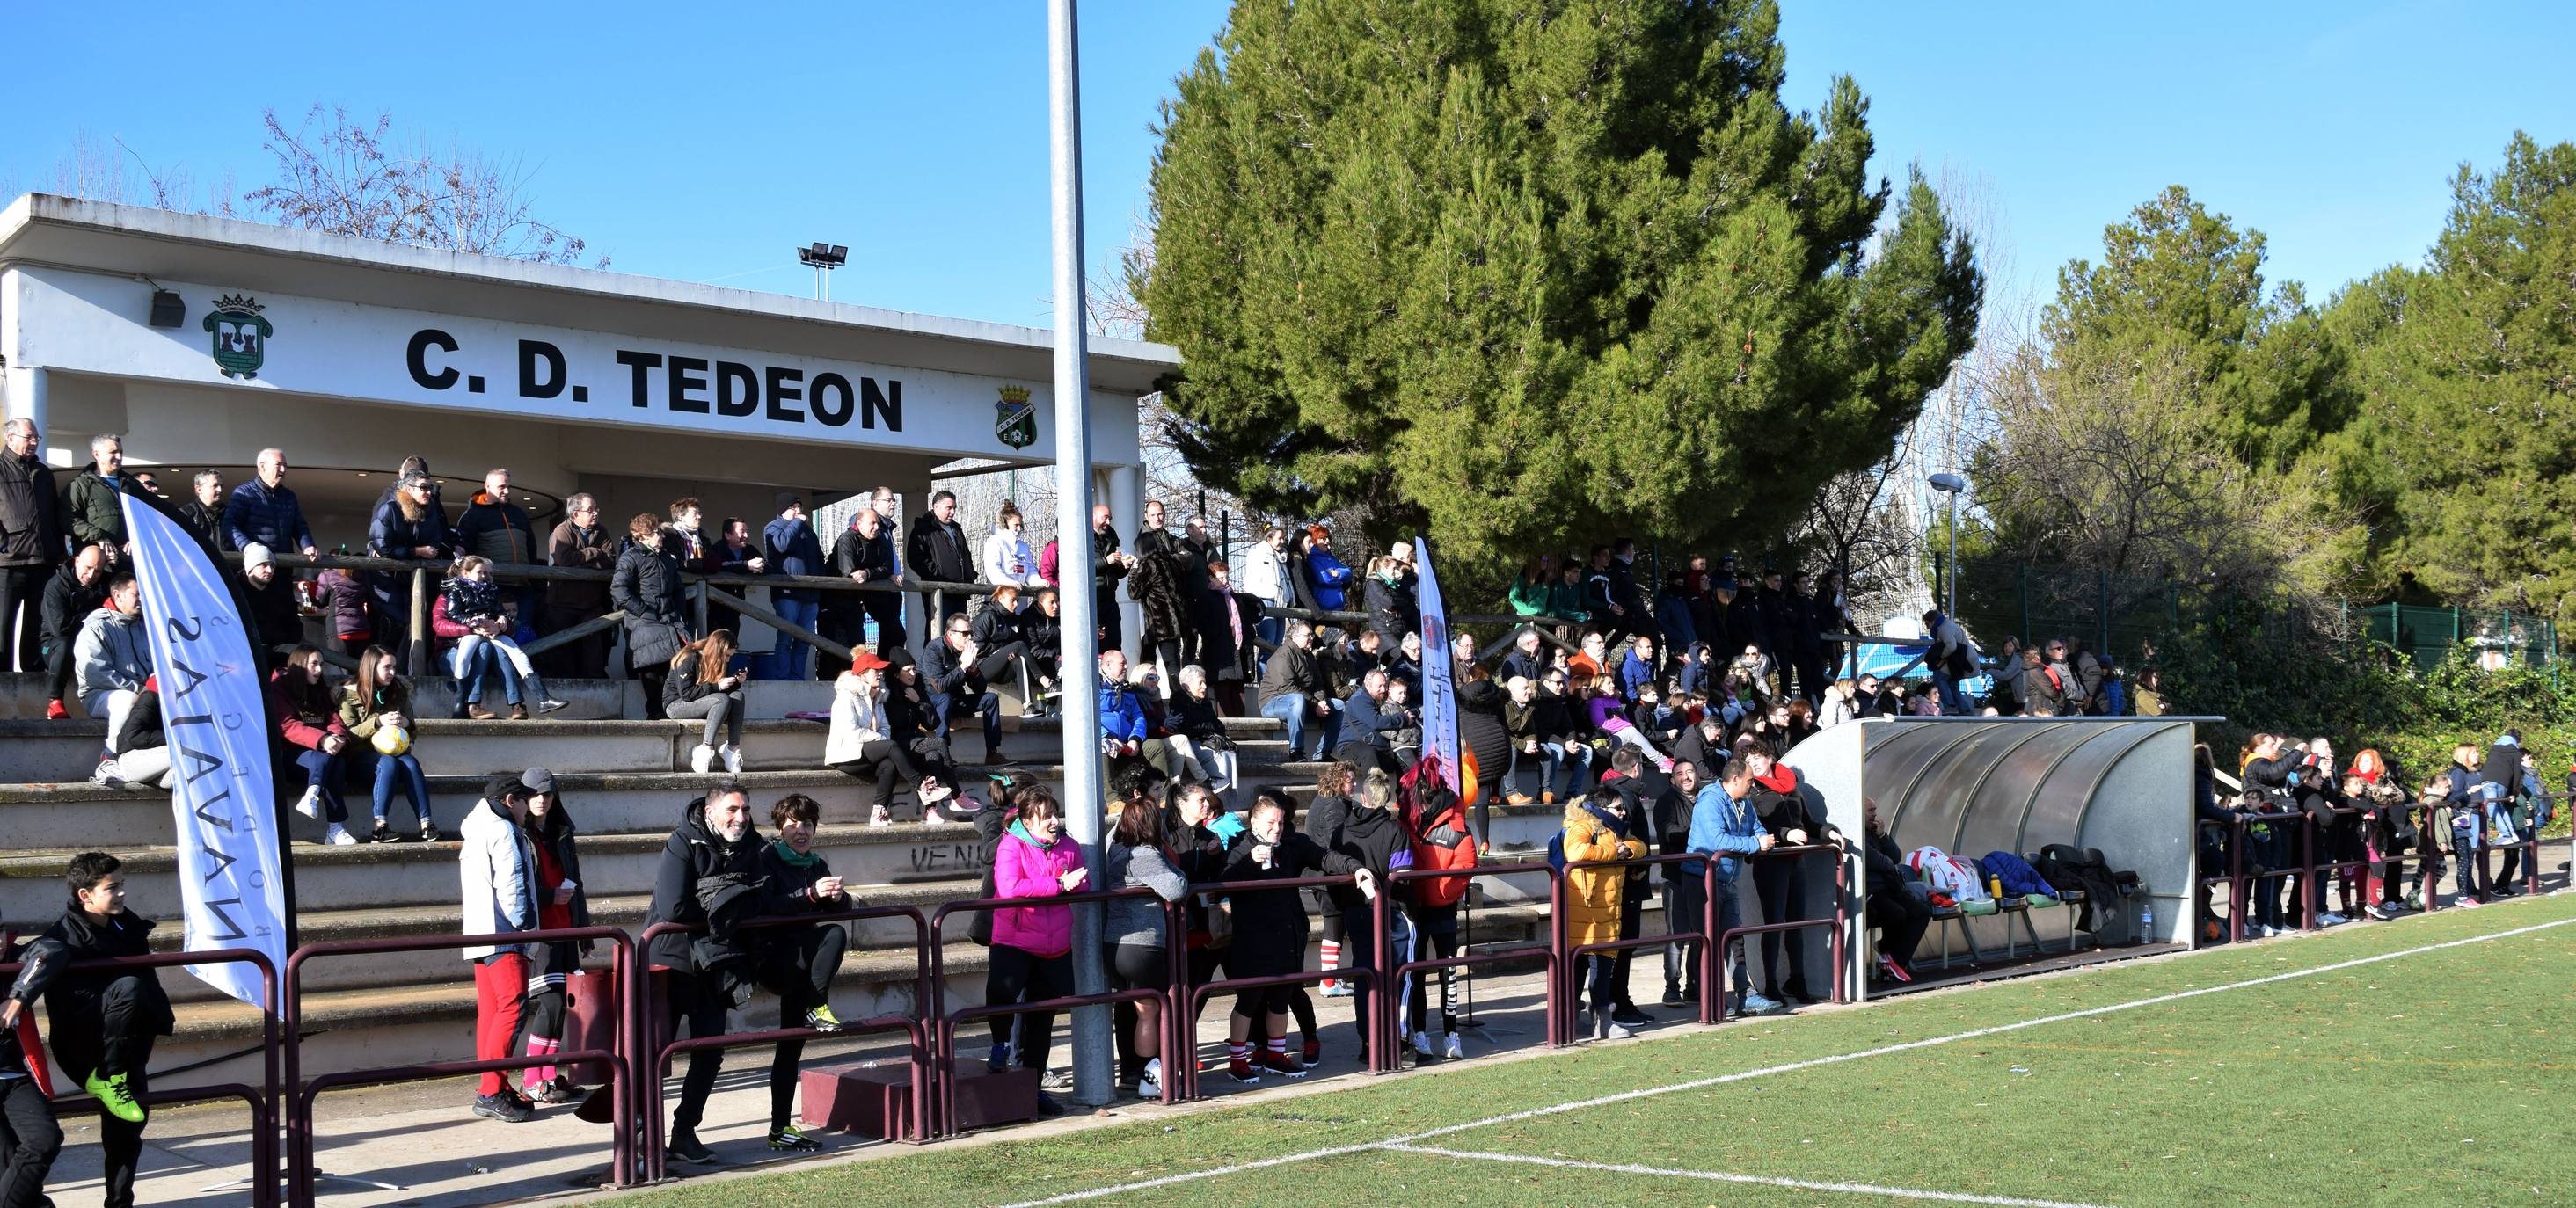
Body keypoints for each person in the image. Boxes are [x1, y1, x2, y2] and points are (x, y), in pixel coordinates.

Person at [643, 782, 802, 1166]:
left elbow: (762, 897)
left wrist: (728, 901)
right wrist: (726, 904)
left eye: (745, 809)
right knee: (651, 1054)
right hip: (671, 961)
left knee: (710, 1051)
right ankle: (641, 1134)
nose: (741, 817)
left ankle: (684, 1132)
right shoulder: (684, 841)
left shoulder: (755, 846)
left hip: (719, 961)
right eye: (732, 810)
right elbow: (673, 908)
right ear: (712, 811)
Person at [4, 853, 172, 1208]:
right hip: (83, 1048)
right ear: (86, 895)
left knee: (126, 1135)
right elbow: (51, 964)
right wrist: (18, 999)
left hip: (126, 1046)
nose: (122, 893)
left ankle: (119, 1202)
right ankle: (108, 1079)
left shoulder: (127, 925)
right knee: (127, 986)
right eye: (113, 887)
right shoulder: (63, 935)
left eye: (122, 885)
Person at [754, 794, 853, 1151]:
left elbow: (845, 908)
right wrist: (810, 895)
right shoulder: (766, 859)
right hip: (776, 958)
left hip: (804, 967)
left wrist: (837, 896)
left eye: (808, 825)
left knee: (790, 1048)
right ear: (780, 829)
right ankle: (818, 1004)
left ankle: (780, 1129)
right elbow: (768, 906)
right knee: (832, 934)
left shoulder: (816, 862)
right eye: (794, 824)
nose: (802, 831)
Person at [1222, 790, 1334, 1083]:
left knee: (1281, 1000)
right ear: (1254, 823)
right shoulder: (1239, 847)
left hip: (1286, 936)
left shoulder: (1290, 846)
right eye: (1270, 823)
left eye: (1281, 823)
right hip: (1253, 941)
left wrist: (1358, 869)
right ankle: (1237, 1061)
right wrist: (1249, 861)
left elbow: (1325, 857)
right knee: (1248, 1001)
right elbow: (1220, 885)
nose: (1276, 829)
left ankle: (1276, 1054)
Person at [987, 787, 1084, 1116]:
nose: (1054, 821)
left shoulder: (1068, 845)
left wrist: (1071, 883)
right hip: (1014, 938)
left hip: (1054, 944)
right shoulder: (1011, 844)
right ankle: (998, 1046)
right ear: (1028, 821)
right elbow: (1010, 887)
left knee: (1042, 1020)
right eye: (1046, 816)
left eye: (1055, 814)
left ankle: (1034, 1088)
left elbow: (1082, 880)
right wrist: (1057, 885)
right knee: (1003, 995)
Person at [1307, 768, 1413, 1055]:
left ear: (1363, 796)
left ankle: (1368, 1041)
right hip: (1388, 912)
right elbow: (1401, 878)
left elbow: (1333, 862)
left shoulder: (1343, 830)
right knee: (1399, 974)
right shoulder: (1395, 831)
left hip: (1355, 911)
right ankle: (1398, 1040)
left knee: (1365, 974)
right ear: (1388, 799)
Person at [459, 772, 543, 1123]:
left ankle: (493, 1085)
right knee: (511, 1012)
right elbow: (513, 883)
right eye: (525, 800)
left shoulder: (477, 827)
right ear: (511, 801)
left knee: (492, 1015)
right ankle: (492, 1090)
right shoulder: (505, 830)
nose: (529, 808)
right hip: (505, 934)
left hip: (480, 933)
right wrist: (524, 926)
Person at [513, 768, 592, 1106]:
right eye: (534, 795)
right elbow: (520, 886)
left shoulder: (561, 832)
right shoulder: (519, 834)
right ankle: (532, 1078)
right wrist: (548, 898)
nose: (541, 800)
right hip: (540, 931)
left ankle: (547, 1075)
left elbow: (577, 880)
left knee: (561, 1007)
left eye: (547, 794)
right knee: (551, 1003)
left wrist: (584, 929)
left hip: (566, 928)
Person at [1103, 790, 1189, 1099]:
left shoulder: (1115, 850)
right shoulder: (1145, 855)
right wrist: (1176, 867)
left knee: (1130, 1009)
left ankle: (1131, 1073)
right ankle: (1149, 1077)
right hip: (1143, 946)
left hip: (1115, 945)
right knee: (1149, 1011)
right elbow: (1176, 887)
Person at [1688, 743, 1782, 1015]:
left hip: (1728, 880)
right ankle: (1713, 1000)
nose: (1753, 786)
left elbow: (1757, 827)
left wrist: (1761, 839)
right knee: (1708, 940)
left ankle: (1746, 995)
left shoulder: (1744, 801)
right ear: (1736, 779)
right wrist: (1756, 844)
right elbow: (1717, 840)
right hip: (1701, 880)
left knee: (1734, 938)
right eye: (1750, 781)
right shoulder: (1711, 800)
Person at [1560, 787, 1648, 1039]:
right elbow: (1575, 851)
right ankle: (1580, 1020)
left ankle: (1598, 1020)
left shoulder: (1614, 829)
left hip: (1607, 910)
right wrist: (1614, 853)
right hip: (1585, 911)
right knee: (1582, 968)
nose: (1623, 813)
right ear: (1601, 809)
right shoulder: (1583, 824)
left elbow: (1640, 845)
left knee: (1601, 965)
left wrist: (1627, 850)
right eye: (1618, 808)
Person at [828, 651, 947, 826]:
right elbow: (851, 732)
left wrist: (881, 739)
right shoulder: (846, 696)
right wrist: (881, 740)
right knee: (891, 746)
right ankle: (922, 787)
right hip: (846, 753)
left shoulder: (878, 695)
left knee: (890, 765)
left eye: (881, 670)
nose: (881, 673)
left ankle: (878, 812)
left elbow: (885, 726)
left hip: (868, 752)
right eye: (875, 671)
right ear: (863, 674)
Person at [339, 644, 436, 842]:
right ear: (371, 667)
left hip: (393, 754)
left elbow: (413, 730)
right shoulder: (348, 694)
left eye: (394, 667)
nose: (392, 673)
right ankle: (379, 826)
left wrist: (406, 723)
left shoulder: (398, 692)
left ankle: (426, 824)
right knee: (388, 763)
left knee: (410, 762)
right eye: (387, 667)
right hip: (358, 758)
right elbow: (347, 735)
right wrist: (377, 722)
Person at [435, 555, 541, 719]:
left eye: (490, 574)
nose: (486, 577)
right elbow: (440, 626)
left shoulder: (490, 595)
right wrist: (472, 629)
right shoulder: (447, 595)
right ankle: (471, 704)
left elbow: (509, 624)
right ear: (465, 573)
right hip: (451, 650)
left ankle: (517, 705)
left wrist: (500, 625)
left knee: (499, 651)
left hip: (486, 649)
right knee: (484, 648)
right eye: (481, 572)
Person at [365, 469, 454, 661]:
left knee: (416, 628)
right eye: (424, 487)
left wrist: (420, 552)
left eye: (430, 488)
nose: (429, 492)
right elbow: (382, 545)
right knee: (394, 628)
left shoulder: (430, 511)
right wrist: (417, 552)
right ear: (409, 489)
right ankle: (379, 675)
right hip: (386, 580)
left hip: (414, 581)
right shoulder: (390, 508)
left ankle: (406, 675)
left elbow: (436, 543)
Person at [612, 514, 690, 718]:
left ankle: (671, 709)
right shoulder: (630, 557)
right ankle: (656, 712)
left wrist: (679, 612)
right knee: (652, 666)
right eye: (657, 531)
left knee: (680, 662)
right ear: (643, 535)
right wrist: (644, 612)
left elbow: (678, 589)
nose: (661, 535)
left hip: (669, 620)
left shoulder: (666, 559)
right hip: (644, 622)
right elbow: (619, 590)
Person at [0, 417, 59, 675]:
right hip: (8, 562)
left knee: (38, 621)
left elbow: (54, 513)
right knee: (3, 622)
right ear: (10, 438)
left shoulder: (43, 473)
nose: (34, 442)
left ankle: (33, 669)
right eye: (29, 437)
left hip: (42, 560)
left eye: (37, 438)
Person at [542, 493, 617, 680]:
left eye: (596, 509)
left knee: (594, 649)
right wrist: (594, 552)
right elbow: (565, 561)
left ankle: (595, 684)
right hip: (562, 603)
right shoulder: (562, 531)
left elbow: (610, 561)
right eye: (591, 510)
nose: (596, 513)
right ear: (576, 514)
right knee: (563, 649)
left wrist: (583, 561)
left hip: (592, 603)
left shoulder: (602, 531)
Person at [923, 610, 1009, 765]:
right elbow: (940, 687)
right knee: (945, 697)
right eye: (964, 633)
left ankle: (992, 753)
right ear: (951, 633)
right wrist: (963, 667)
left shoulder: (966, 651)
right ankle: (942, 752)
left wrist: (973, 668)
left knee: (990, 699)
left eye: (971, 633)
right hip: (933, 702)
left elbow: (980, 689)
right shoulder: (934, 649)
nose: (969, 637)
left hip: (955, 701)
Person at [454, 468, 540, 622]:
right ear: (488, 486)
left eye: (508, 486)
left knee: (525, 632)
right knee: (497, 632)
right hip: (493, 587)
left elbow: (531, 548)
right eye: (501, 487)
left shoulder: (519, 514)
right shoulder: (473, 515)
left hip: (522, 585)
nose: (506, 491)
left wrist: (533, 578)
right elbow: (465, 552)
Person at [1860, 797, 1929, 983]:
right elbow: (1876, 859)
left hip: (1890, 887)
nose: (1875, 814)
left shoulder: (1875, 833)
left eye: (1875, 810)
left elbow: (1896, 856)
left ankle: (1896, 960)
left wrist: (1883, 836)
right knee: (1897, 913)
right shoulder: (1856, 833)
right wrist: (1888, 863)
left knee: (1921, 911)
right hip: (1871, 891)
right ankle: (1885, 949)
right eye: (1870, 811)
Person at [39, 545, 109, 721]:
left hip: (89, 646)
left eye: (98, 571)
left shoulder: (104, 584)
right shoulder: (56, 586)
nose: (92, 575)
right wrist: (94, 616)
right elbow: (60, 628)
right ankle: (54, 701)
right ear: (77, 561)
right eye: (88, 568)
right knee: (63, 643)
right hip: (48, 648)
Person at [762, 495, 828, 681]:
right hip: (787, 594)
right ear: (782, 509)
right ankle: (782, 679)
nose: (798, 511)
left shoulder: (808, 532)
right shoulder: (773, 527)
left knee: (804, 640)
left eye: (799, 507)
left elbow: (818, 559)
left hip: (810, 595)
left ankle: (797, 678)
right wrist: (797, 523)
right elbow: (782, 545)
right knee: (786, 638)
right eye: (793, 507)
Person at [665, 629, 748, 775]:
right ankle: (705, 748)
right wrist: (718, 686)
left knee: (737, 696)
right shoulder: (688, 657)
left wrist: (735, 683)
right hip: (676, 705)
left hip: (701, 702)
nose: (728, 660)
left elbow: (715, 693)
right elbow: (687, 694)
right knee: (722, 699)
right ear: (717, 650)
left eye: (730, 656)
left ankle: (732, 749)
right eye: (727, 655)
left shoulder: (717, 660)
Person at [828, 503, 904, 660]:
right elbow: (849, 572)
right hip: (835, 602)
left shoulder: (880, 539)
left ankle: (883, 672)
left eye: (878, 523)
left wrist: (868, 573)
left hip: (863, 599)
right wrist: (875, 573)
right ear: (859, 523)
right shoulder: (847, 539)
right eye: (873, 523)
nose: (877, 527)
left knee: (894, 632)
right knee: (838, 648)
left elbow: (887, 567)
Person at [1256, 620, 1340, 761]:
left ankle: (1323, 754)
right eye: (1308, 635)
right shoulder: (1282, 655)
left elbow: (1319, 684)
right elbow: (1286, 688)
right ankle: (1296, 751)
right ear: (1295, 637)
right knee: (1297, 699)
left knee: (1339, 706)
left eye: (1312, 635)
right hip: (1273, 703)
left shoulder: (1309, 656)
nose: (1312, 638)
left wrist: (1321, 701)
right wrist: (1315, 704)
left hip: (1304, 703)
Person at [906, 490, 974, 644]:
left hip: (960, 590)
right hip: (938, 592)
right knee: (938, 633)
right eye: (949, 508)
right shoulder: (923, 529)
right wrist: (938, 575)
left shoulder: (956, 529)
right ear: (936, 507)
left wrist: (970, 575)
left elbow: (964, 556)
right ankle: (931, 666)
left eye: (954, 508)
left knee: (960, 634)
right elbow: (916, 558)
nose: (953, 512)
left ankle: (957, 666)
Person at [223, 448, 318, 557]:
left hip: (284, 564)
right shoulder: (244, 493)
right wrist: (249, 548)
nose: (283, 470)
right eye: (278, 465)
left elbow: (299, 527)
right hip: (256, 566)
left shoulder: (289, 496)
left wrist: (308, 545)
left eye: (285, 465)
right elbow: (229, 526)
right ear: (262, 466)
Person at [1166, 664, 1239, 802]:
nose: (1205, 687)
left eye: (1204, 682)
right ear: (1187, 686)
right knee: (1220, 755)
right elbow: (1185, 728)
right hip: (1191, 744)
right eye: (1200, 683)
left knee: (1229, 753)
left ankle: (1231, 798)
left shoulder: (1205, 702)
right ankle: (1219, 800)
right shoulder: (1179, 700)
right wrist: (1207, 728)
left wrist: (1206, 728)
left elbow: (1217, 725)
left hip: (1205, 741)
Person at [58, 434, 137, 557]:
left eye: (121, 452)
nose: (119, 457)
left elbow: (149, 514)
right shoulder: (80, 485)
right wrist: (98, 537)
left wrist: (138, 539)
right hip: (97, 565)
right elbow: (67, 519)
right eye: (113, 452)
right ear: (96, 455)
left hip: (132, 561)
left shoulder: (132, 484)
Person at [1334, 667, 1413, 775]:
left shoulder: (1380, 698)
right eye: (1379, 686)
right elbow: (1376, 722)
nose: (1384, 689)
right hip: (1351, 746)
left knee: (1404, 758)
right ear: (1368, 685)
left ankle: (1406, 790)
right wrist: (1404, 718)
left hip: (1378, 747)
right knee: (1369, 754)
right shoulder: (1359, 700)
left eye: (1385, 685)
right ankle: (1374, 790)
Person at [237, 542, 305, 659]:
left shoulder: (281, 592)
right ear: (251, 567)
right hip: (248, 648)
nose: (269, 570)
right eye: (263, 565)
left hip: (281, 645)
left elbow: (294, 624)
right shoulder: (236, 592)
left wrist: (288, 641)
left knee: (305, 657)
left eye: (272, 565)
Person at [1239, 526, 1292, 651]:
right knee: (1267, 645)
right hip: (1266, 601)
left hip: (1281, 602)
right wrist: (1256, 602)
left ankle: (1273, 671)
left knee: (1277, 646)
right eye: (1280, 538)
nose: (1283, 541)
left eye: (1284, 538)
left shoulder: (1281, 557)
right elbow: (1251, 579)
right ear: (1269, 539)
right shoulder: (1257, 553)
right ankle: (1264, 672)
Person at [1300, 526, 1354, 613]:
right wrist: (1341, 582)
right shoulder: (1313, 559)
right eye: (1323, 538)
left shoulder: (1331, 558)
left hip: (1339, 608)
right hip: (1323, 610)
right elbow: (1324, 579)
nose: (1328, 541)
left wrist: (1338, 573)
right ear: (1315, 541)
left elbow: (1349, 573)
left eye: (1328, 537)